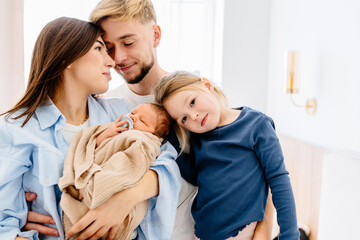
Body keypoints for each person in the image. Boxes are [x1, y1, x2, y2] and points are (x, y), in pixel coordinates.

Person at [87, 1, 276, 239]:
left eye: (128, 42)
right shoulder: (106, 107)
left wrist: (266, 226)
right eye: (109, 47)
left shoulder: (196, 99)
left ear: (155, 35)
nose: (119, 58)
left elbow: (259, 165)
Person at [0, 17, 181, 240]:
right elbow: (5, 227)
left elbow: (167, 162)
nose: (112, 62)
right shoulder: (15, 129)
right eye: (99, 48)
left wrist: (128, 197)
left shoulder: (121, 112)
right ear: (67, 57)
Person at [154, 71, 300, 240]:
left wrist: (289, 234)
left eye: (193, 102)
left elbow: (279, 179)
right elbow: (194, 177)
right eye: (184, 119)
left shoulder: (255, 124)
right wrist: (165, 136)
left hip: (239, 233)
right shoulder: (197, 140)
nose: (193, 116)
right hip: (201, 233)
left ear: (207, 86)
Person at [59, 103, 172, 240]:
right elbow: (91, 144)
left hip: (107, 187)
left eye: (142, 121)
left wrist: (93, 182)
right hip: (90, 175)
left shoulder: (143, 141)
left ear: (154, 134)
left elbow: (126, 165)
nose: (133, 118)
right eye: (133, 113)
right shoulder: (114, 127)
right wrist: (106, 133)